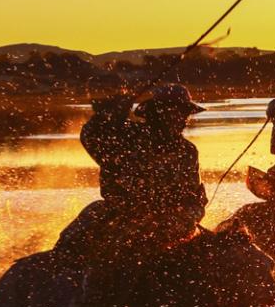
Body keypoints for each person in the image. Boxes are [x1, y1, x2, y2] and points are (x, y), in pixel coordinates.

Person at [55, 83, 208, 266]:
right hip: (121, 215)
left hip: (170, 223)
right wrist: (107, 116)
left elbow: (194, 197)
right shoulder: (127, 137)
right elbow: (91, 136)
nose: (183, 120)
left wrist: (186, 217)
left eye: (185, 113)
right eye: (177, 113)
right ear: (158, 113)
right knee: (69, 247)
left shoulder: (187, 151)